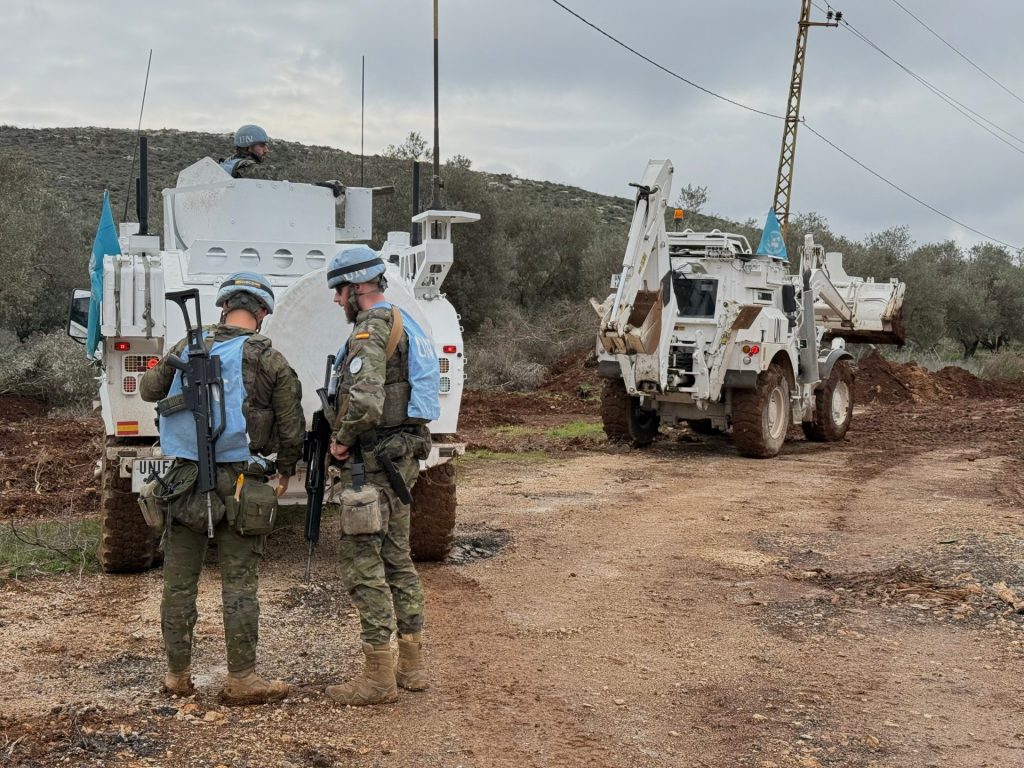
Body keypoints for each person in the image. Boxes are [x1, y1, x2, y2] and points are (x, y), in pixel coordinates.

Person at [139, 271, 305, 705]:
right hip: (242, 483)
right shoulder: (270, 359)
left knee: (179, 583)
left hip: (184, 481)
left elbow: (149, 391)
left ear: (225, 306)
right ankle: (242, 679)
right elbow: (292, 425)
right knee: (239, 583)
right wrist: (286, 469)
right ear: (262, 312)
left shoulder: (187, 346)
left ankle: (177, 676)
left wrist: (174, 360)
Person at [323, 245, 438, 706]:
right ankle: (412, 667)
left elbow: (367, 400)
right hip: (401, 457)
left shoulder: (371, 328)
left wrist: (341, 440)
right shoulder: (404, 321)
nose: (337, 301)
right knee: (397, 559)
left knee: (363, 562)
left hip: (373, 462)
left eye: (338, 292)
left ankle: (378, 679)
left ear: (356, 288)